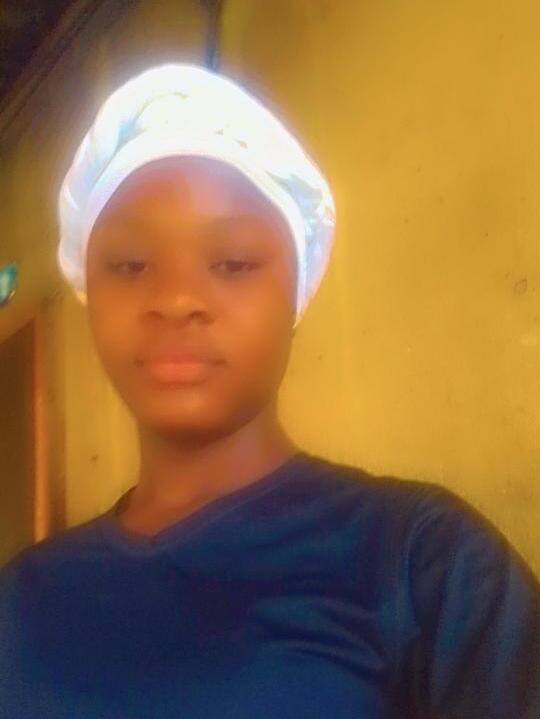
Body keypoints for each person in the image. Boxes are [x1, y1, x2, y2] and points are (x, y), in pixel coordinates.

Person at [0, 62, 538, 719]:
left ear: (295, 294)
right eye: (130, 264)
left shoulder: (423, 563)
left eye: (232, 263)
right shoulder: (21, 600)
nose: (176, 298)